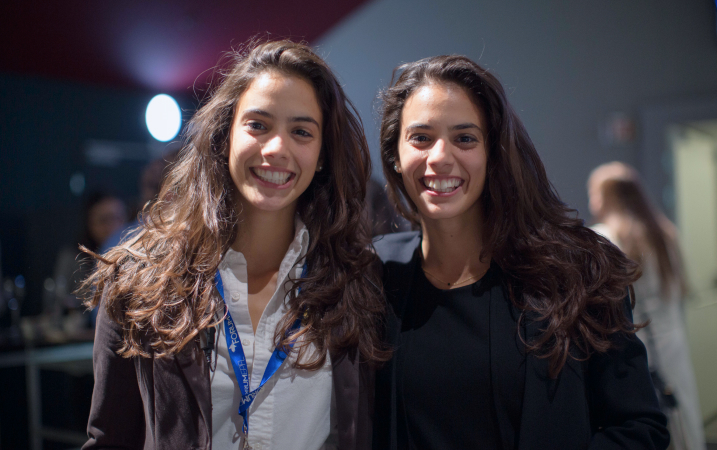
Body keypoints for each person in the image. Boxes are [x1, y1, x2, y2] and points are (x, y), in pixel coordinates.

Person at [81, 40, 388, 450]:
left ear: (322, 155)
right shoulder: (140, 281)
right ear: (225, 135)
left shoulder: (359, 281)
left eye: (301, 131)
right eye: (258, 125)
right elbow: (109, 440)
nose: (277, 148)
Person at [371, 55, 669, 449]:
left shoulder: (576, 272)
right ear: (395, 154)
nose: (440, 157)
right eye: (421, 137)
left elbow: (639, 428)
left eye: (465, 138)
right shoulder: (375, 273)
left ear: (494, 152)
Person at [588, 162, 706, 450]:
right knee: (682, 424)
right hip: (673, 348)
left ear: (604, 196)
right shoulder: (665, 234)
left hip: (633, 349)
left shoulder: (604, 239)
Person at [50, 192, 127, 336]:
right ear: (89, 223)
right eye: (104, 220)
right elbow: (58, 305)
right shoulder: (72, 259)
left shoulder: (134, 260)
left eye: (117, 218)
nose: (112, 226)